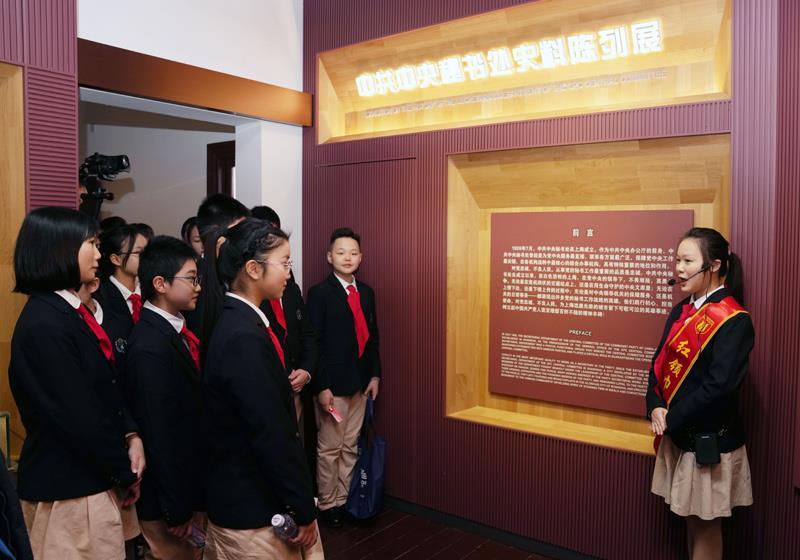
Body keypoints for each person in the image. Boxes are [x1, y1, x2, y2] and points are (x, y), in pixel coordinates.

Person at [9, 207, 144, 559]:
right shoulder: (45, 323)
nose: (98, 255)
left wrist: (130, 436)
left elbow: (105, 389)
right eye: (91, 244)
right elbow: (78, 414)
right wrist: (123, 471)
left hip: (89, 481)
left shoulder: (68, 313)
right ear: (60, 249)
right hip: (69, 491)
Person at [203, 219, 319, 559]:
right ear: (254, 269)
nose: (288, 273)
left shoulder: (242, 321)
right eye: (284, 263)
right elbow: (270, 432)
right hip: (252, 506)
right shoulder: (243, 336)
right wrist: (302, 507)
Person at [646, 227, 754, 560]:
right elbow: (659, 363)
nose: (679, 269)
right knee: (690, 521)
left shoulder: (734, 321)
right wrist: (655, 405)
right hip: (679, 434)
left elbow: (719, 387)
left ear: (715, 265)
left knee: (706, 525)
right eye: (677, 260)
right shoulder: (682, 310)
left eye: (688, 261)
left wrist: (672, 417)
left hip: (708, 441)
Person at [125, 236, 206, 560]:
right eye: (191, 278)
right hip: (166, 497)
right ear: (160, 284)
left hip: (185, 483)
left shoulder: (173, 330)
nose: (198, 286)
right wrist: (176, 507)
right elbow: (158, 431)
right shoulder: (149, 345)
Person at [307, 227, 381, 528]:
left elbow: (373, 338)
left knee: (350, 445)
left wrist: (375, 375)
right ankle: (328, 504)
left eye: (353, 253)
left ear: (360, 257)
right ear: (329, 257)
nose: (347, 257)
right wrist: (321, 386)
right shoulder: (319, 293)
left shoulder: (367, 293)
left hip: (360, 384)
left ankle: (345, 499)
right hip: (332, 386)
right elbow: (313, 343)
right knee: (329, 448)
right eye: (340, 252)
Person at [255, 206, 319, 481]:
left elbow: (308, 335)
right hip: (271, 389)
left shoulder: (291, 288)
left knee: (298, 450)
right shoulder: (247, 301)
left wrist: (306, 371)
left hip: (298, 386)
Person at [95, 224, 148, 359]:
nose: (147, 258)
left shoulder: (151, 291)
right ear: (116, 259)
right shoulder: (101, 297)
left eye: (148, 252)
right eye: (140, 253)